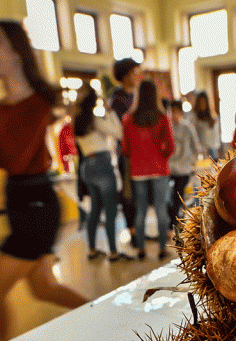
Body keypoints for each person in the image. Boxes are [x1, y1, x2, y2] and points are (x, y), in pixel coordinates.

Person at [0, 19, 88, 341]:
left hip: (35, 208)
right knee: (44, 288)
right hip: (21, 201)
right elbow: (12, 156)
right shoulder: (3, 107)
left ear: (17, 53)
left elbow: (15, 156)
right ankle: (104, 315)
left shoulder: (39, 101)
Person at [73, 84, 132, 262]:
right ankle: (113, 252)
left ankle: (92, 249)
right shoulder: (95, 120)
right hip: (102, 165)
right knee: (111, 210)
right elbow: (119, 133)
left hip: (86, 167)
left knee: (95, 210)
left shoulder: (77, 122)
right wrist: (111, 112)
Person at [121, 80, 175, 261]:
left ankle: (141, 249)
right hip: (159, 168)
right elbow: (171, 145)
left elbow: (125, 149)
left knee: (141, 211)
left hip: (138, 171)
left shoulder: (128, 119)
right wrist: (161, 157)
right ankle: (161, 248)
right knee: (161, 210)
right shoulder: (162, 117)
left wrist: (137, 158)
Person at [110, 57, 142, 244]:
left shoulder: (137, 93)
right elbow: (126, 124)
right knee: (129, 192)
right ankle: (132, 230)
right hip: (127, 152)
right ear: (124, 76)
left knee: (141, 193)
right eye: (132, 73)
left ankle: (139, 227)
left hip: (142, 152)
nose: (136, 76)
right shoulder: (118, 98)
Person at [167, 99, 203, 230]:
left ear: (181, 113)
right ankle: (171, 222)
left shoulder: (187, 127)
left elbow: (196, 147)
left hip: (183, 170)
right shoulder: (167, 127)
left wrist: (191, 162)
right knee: (167, 199)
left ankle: (172, 226)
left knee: (178, 198)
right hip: (168, 170)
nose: (174, 115)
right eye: (171, 112)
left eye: (177, 112)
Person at [189, 91, 221, 161]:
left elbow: (216, 135)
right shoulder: (194, 118)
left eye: (204, 102)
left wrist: (218, 150)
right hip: (200, 151)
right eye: (200, 102)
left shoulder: (213, 117)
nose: (202, 104)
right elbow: (193, 136)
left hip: (213, 150)